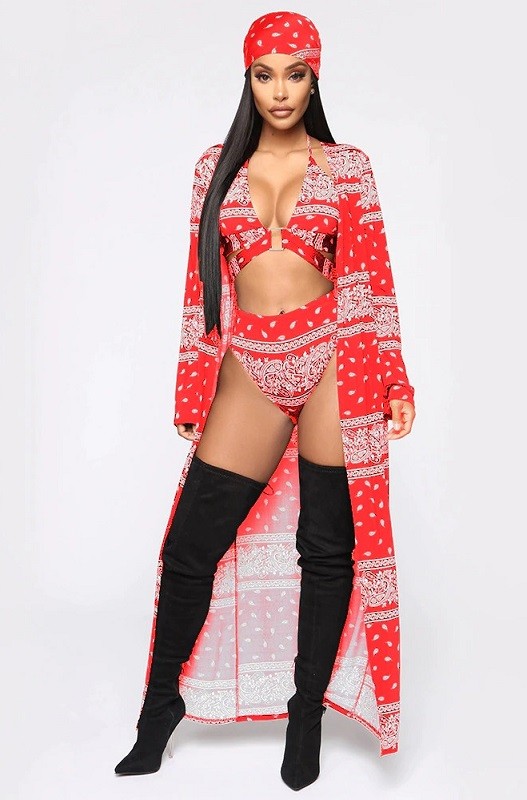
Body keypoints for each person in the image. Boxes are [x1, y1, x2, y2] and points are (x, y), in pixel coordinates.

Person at [114, 9, 416, 791]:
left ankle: (304, 715)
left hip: (332, 354)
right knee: (190, 548)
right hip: (251, 359)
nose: (279, 90)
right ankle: (158, 708)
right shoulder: (214, 169)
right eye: (263, 74)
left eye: (294, 74)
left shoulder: (347, 167)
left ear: (314, 80)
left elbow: (373, 276)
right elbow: (200, 288)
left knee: (325, 548)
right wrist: (191, 385)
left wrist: (393, 379)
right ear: (247, 80)